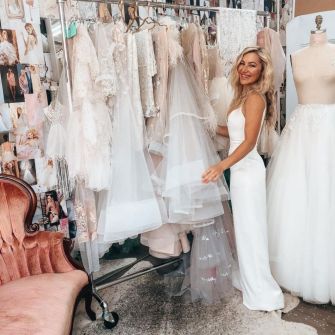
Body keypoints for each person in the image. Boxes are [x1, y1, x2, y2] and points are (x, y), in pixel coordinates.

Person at [202, 47, 284, 311]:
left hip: (247, 171)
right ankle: (250, 279)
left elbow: (249, 143)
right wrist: (209, 125)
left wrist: (220, 165)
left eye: (252, 65)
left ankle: (262, 291)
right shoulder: (242, 97)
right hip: (240, 171)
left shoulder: (255, 99)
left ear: (262, 71)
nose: (245, 70)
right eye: (242, 64)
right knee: (245, 230)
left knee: (251, 230)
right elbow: (234, 133)